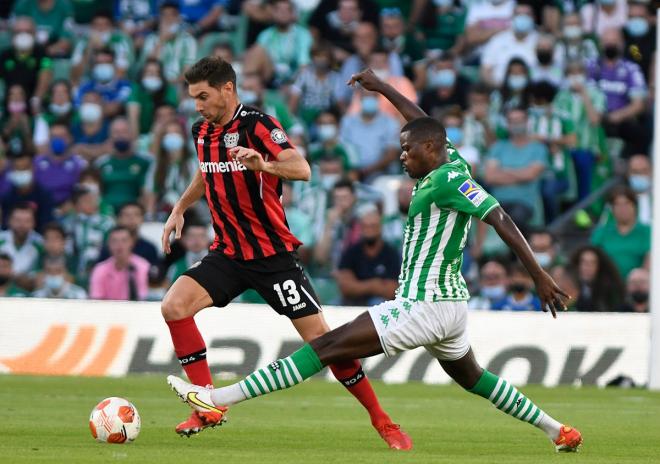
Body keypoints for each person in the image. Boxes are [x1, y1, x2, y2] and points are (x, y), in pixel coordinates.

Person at [168, 69, 582, 453]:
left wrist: (539, 276)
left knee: (326, 345)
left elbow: (499, 217)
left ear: (430, 149)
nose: (402, 157)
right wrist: (382, 88)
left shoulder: (449, 179)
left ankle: (215, 398)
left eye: (407, 151)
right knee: (474, 378)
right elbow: (422, 122)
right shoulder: (447, 158)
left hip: (425, 304)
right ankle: (557, 431)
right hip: (451, 306)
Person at [159, 57, 409, 448]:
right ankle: (207, 403)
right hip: (227, 253)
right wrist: (180, 207)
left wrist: (264, 165)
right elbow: (205, 172)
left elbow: (302, 168)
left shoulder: (258, 125)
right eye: (193, 98)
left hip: (272, 256)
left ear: (228, 89)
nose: (198, 105)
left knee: (325, 344)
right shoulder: (201, 130)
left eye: (203, 96)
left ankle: (383, 420)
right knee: (174, 306)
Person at [483, 107, 549, 228]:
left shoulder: (538, 148)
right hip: (497, 203)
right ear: (507, 124)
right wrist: (520, 174)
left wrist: (504, 171)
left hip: (524, 203)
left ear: (527, 122)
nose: (516, 124)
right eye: (512, 121)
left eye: (519, 120)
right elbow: (490, 177)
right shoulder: (498, 147)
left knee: (514, 219)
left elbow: (530, 175)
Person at [335, 205, 400, 306]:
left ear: (380, 227)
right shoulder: (351, 252)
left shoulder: (391, 254)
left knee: (378, 303)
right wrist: (374, 285)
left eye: (373, 226)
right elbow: (345, 287)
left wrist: (357, 286)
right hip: (352, 302)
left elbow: (393, 290)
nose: (369, 230)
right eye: (365, 226)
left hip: (380, 305)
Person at [591, 185, 650, 280]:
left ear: (635, 206)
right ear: (612, 209)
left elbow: (650, 260)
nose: (622, 208)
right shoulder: (602, 232)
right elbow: (592, 258)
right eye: (617, 204)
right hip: (607, 284)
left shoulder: (647, 232)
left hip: (638, 286)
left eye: (626, 204)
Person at [94, 117, 151, 214]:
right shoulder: (101, 163)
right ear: (110, 136)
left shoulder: (145, 161)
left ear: (132, 135)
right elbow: (97, 192)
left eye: (124, 132)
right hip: (106, 212)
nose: (120, 136)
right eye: (116, 132)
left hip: (134, 212)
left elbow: (148, 191)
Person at [89, 225, 150, 301]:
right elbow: (96, 300)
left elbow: (143, 298)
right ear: (108, 244)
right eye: (114, 241)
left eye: (124, 240)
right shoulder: (99, 270)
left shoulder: (143, 266)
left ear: (131, 242)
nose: (119, 245)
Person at [33, 122, 87, 206]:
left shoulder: (79, 163)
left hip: (70, 209)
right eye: (54, 137)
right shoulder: (35, 163)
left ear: (70, 138)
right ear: (48, 139)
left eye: (62, 136)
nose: (57, 140)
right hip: (42, 207)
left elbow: (82, 190)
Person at [569, 245, 624, 312]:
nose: (588, 267)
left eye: (592, 263)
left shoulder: (609, 290)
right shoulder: (568, 287)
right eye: (584, 262)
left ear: (599, 267)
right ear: (578, 265)